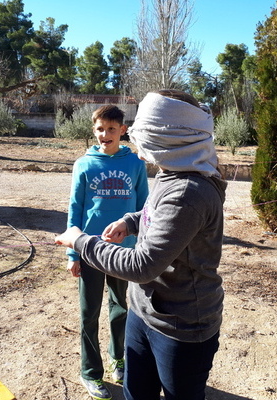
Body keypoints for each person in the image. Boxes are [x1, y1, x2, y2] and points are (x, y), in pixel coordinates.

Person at [56, 89, 227, 400]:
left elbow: (141, 265)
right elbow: (154, 210)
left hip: (180, 327)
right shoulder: (175, 171)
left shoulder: (189, 191)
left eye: (144, 134)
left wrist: (81, 242)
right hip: (145, 312)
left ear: (169, 136)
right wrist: (131, 221)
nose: (136, 142)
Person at [64, 104, 149, 400]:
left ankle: (119, 359)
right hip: (89, 252)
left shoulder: (135, 165)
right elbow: (75, 208)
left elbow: (144, 210)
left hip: (123, 254)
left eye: (111, 129)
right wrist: (73, 254)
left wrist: (143, 246)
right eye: (100, 129)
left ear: (122, 131)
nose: (105, 134)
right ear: (94, 130)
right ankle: (90, 372)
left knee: (121, 309)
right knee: (89, 313)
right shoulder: (84, 165)